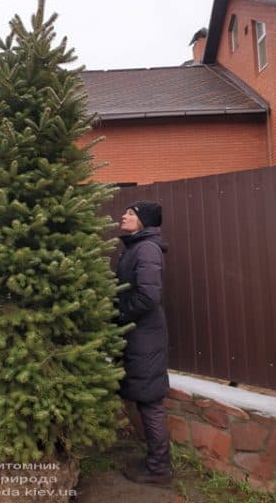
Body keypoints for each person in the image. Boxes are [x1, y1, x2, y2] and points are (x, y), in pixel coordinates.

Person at [116, 200, 172, 487]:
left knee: (150, 402)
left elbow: (148, 297)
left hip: (144, 336)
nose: (123, 215)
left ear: (144, 221)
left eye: (130, 213)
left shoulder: (146, 249)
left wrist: (119, 314)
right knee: (145, 399)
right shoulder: (137, 247)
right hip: (138, 334)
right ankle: (155, 462)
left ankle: (159, 469)